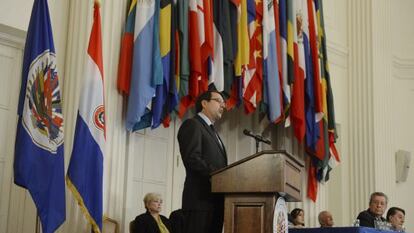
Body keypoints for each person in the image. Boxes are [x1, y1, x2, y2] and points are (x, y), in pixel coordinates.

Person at [177, 90, 228, 233]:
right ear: (204, 103)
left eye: (223, 102)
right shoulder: (192, 125)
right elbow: (192, 158)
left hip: (215, 202)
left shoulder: (213, 132)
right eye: (218, 101)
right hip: (199, 203)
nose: (223, 106)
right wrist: (220, 176)